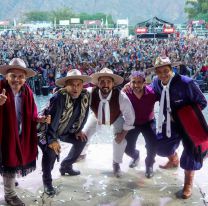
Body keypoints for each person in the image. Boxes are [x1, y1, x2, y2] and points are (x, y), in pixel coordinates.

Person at [151, 56, 207, 199]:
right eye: (159, 72)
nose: (163, 74)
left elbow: (202, 101)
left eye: (166, 70)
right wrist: (129, 86)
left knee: (191, 152)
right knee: (159, 144)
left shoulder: (186, 83)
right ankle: (173, 159)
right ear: (156, 73)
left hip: (190, 124)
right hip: (171, 123)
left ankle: (188, 183)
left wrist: (186, 115)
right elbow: (151, 92)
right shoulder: (156, 82)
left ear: (171, 69)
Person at [0, 58, 50, 206]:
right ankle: (10, 195)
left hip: (19, 132)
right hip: (3, 134)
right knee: (8, 159)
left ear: (25, 78)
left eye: (20, 76)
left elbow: (32, 113)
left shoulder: (27, 91)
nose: (17, 80)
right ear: (6, 76)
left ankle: (9, 178)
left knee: (12, 159)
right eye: (13, 76)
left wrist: (40, 119)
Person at [41, 69, 91, 196]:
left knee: (82, 141)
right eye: (72, 85)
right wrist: (52, 140)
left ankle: (66, 166)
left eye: (78, 84)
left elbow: (84, 116)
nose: (75, 88)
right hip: (45, 131)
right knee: (51, 152)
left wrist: (79, 130)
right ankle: (47, 182)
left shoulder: (85, 96)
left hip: (65, 130)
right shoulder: (59, 98)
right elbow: (50, 123)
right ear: (65, 85)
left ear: (82, 85)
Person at [80, 67, 135, 178]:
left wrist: (122, 134)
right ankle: (81, 153)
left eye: (108, 82)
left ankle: (116, 163)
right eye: (102, 82)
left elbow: (130, 118)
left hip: (116, 117)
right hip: (97, 116)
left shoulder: (121, 97)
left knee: (120, 140)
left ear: (113, 84)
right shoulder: (90, 93)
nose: (105, 84)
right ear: (97, 84)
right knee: (84, 134)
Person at [124, 71, 158, 178]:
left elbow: (166, 98)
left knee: (152, 145)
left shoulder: (152, 93)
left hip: (148, 122)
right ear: (130, 82)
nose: (136, 85)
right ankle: (135, 155)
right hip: (133, 123)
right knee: (127, 148)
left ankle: (149, 165)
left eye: (139, 82)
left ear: (144, 83)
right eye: (133, 82)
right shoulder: (126, 93)